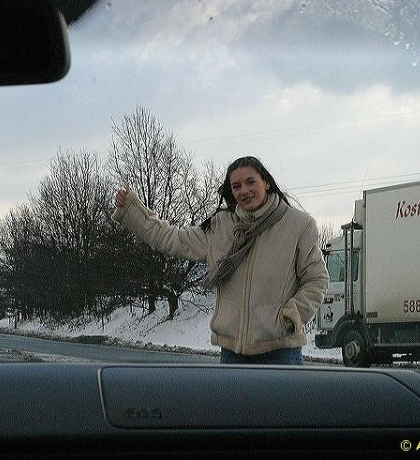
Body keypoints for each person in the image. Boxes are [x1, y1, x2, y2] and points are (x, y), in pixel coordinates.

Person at [112, 156, 328, 365]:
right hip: (232, 354)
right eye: (236, 186)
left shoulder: (298, 225)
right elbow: (172, 239)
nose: (244, 190)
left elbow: (317, 279)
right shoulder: (220, 226)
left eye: (250, 182)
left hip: (281, 353)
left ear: (267, 182)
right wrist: (133, 211)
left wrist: (291, 316)